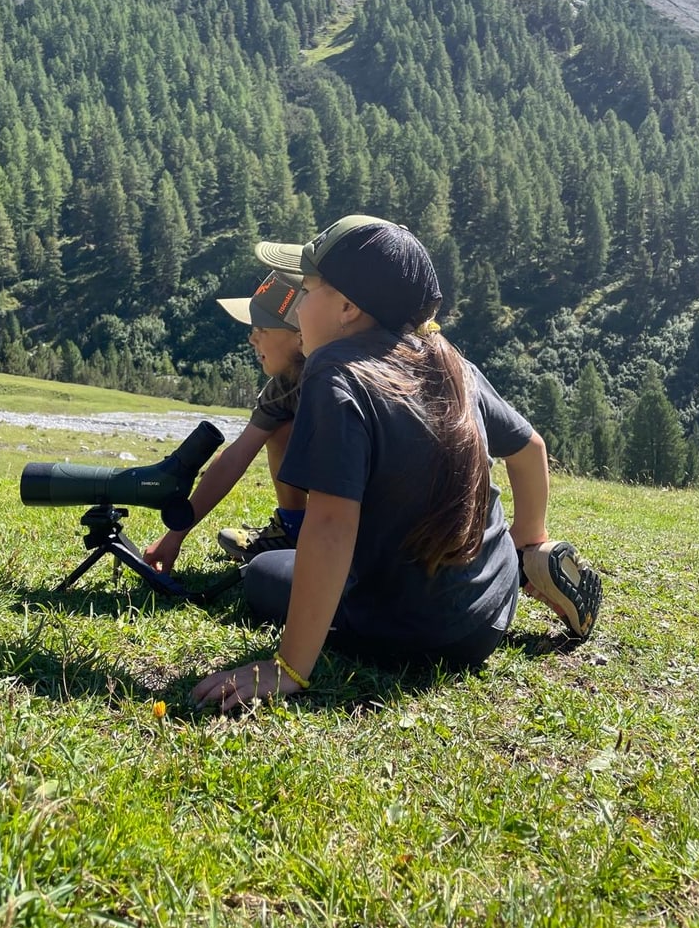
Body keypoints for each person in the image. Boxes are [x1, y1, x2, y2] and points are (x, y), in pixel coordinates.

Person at [190, 215, 603, 713]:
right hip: (491, 613)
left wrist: (290, 667)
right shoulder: (450, 362)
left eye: (307, 289)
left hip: (409, 634)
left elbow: (330, 525)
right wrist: (526, 541)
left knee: (262, 573)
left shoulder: (335, 371)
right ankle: (524, 566)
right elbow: (530, 448)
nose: (297, 308)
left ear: (347, 307)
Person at [143, 270, 309, 577]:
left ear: (302, 337)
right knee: (281, 430)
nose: (251, 337)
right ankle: (293, 529)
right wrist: (175, 535)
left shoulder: (341, 381)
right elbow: (234, 458)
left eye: (262, 328)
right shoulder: (283, 386)